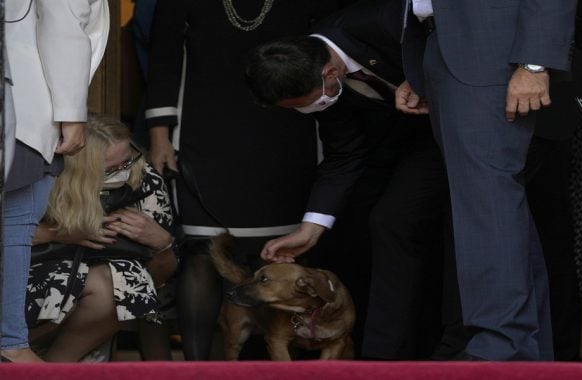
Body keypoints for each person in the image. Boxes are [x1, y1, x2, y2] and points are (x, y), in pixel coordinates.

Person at [245, 0, 449, 358]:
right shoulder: (318, 80)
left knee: (394, 221)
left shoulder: (385, 22)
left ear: (328, 73)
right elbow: (344, 154)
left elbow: (463, 36)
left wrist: (423, 76)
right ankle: (384, 353)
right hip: (402, 150)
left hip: (457, 132)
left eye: (312, 104)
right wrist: (311, 228)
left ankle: (394, 354)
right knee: (364, 226)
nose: (314, 110)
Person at [144, 0, 338, 360]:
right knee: (202, 252)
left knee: (283, 250)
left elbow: (331, 48)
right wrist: (159, 134)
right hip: (206, 130)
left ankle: (283, 362)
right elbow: (164, 54)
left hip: (286, 129)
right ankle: (196, 366)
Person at [397, 0, 576, 361]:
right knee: (491, 206)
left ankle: (502, 344)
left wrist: (534, 61)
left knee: (488, 203)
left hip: (492, 53)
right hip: (445, 48)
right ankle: (522, 347)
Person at [1, 0, 109, 363]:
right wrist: (70, 111)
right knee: (14, 227)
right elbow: (62, 27)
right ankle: (10, 344)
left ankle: (10, 343)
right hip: (21, 101)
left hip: (20, 100)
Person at [25, 115, 177, 362]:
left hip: (98, 296)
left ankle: (54, 368)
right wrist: (58, 234)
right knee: (73, 281)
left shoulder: (144, 179)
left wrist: (163, 243)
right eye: (111, 169)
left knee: (122, 280)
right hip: (27, 280)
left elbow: (158, 279)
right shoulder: (41, 174)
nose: (125, 171)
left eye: (129, 159)